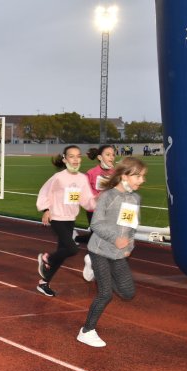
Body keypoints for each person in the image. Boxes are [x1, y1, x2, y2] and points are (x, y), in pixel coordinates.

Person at [77, 157, 146, 347]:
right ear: (125, 176)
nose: (142, 180)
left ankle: (93, 270)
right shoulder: (108, 196)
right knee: (105, 294)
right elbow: (96, 223)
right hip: (99, 249)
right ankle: (87, 331)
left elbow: (132, 225)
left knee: (128, 292)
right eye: (138, 176)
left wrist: (128, 246)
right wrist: (115, 239)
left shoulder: (135, 198)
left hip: (118, 253)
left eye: (143, 177)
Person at [36, 145, 95, 296]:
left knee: (62, 253)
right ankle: (46, 258)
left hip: (70, 219)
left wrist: (99, 202)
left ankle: (44, 283)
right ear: (65, 159)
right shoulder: (58, 177)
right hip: (56, 217)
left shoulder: (82, 178)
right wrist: (46, 210)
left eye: (78, 156)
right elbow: (44, 193)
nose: (76, 159)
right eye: (72, 156)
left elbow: (87, 200)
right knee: (72, 249)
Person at [76, 145, 116, 281]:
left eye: (113, 154)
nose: (112, 157)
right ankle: (91, 261)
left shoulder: (115, 173)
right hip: (95, 210)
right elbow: (84, 193)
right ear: (100, 157)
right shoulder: (92, 173)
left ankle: (92, 259)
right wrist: (97, 196)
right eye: (108, 154)